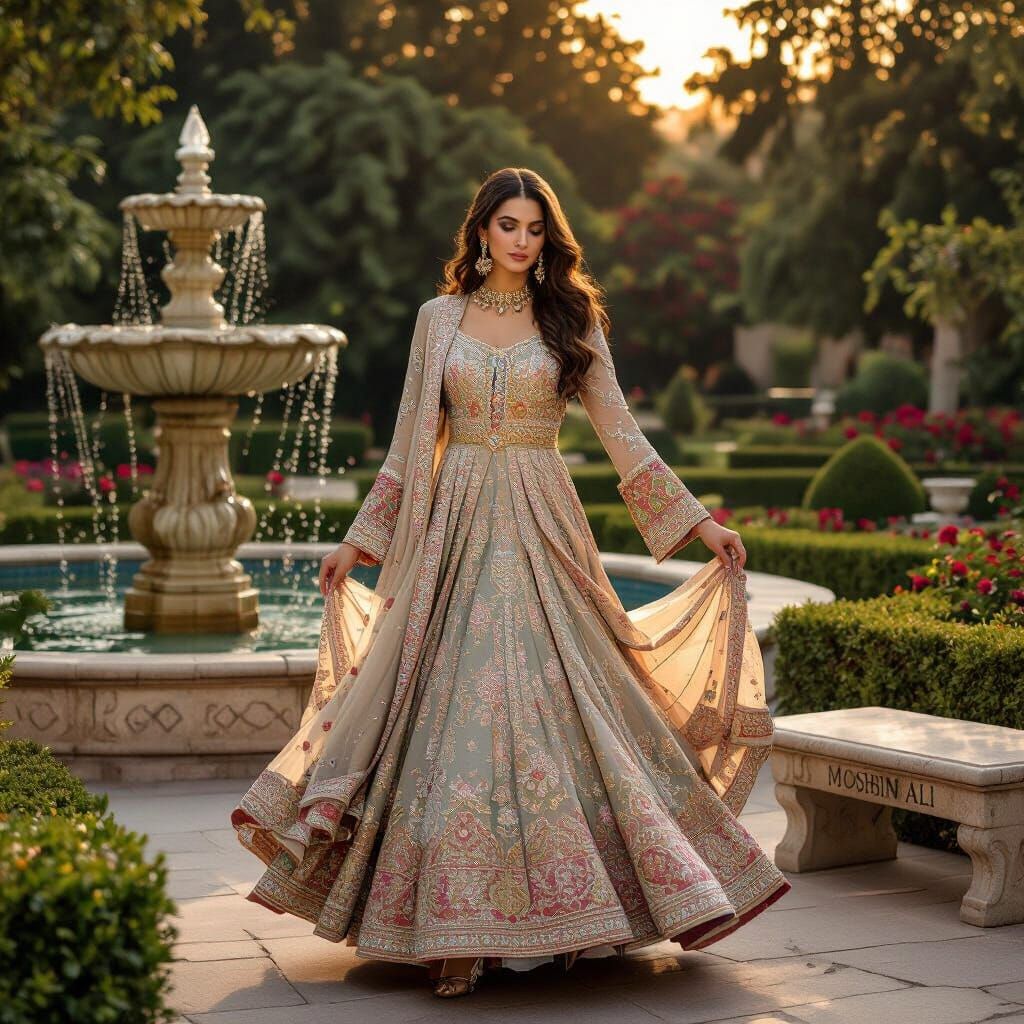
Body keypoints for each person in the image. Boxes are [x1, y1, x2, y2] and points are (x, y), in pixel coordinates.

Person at [231, 167, 790, 999]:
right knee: (452, 705)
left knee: (560, 703)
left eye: (535, 228)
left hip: (540, 522)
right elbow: (408, 445)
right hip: (453, 531)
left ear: (547, 237)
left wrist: (703, 523)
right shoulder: (438, 320)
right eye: (507, 225)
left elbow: (623, 436)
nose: (522, 241)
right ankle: (452, 931)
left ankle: (570, 916)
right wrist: (360, 541)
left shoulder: (572, 319)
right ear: (481, 231)